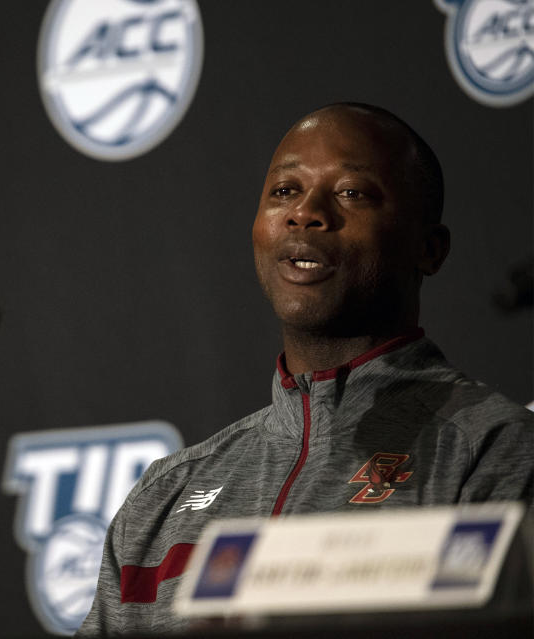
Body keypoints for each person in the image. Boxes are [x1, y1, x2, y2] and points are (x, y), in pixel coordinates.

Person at [76, 103, 534, 637]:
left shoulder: (495, 451)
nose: (305, 214)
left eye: (351, 193)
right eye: (284, 191)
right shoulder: (166, 492)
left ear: (429, 249)